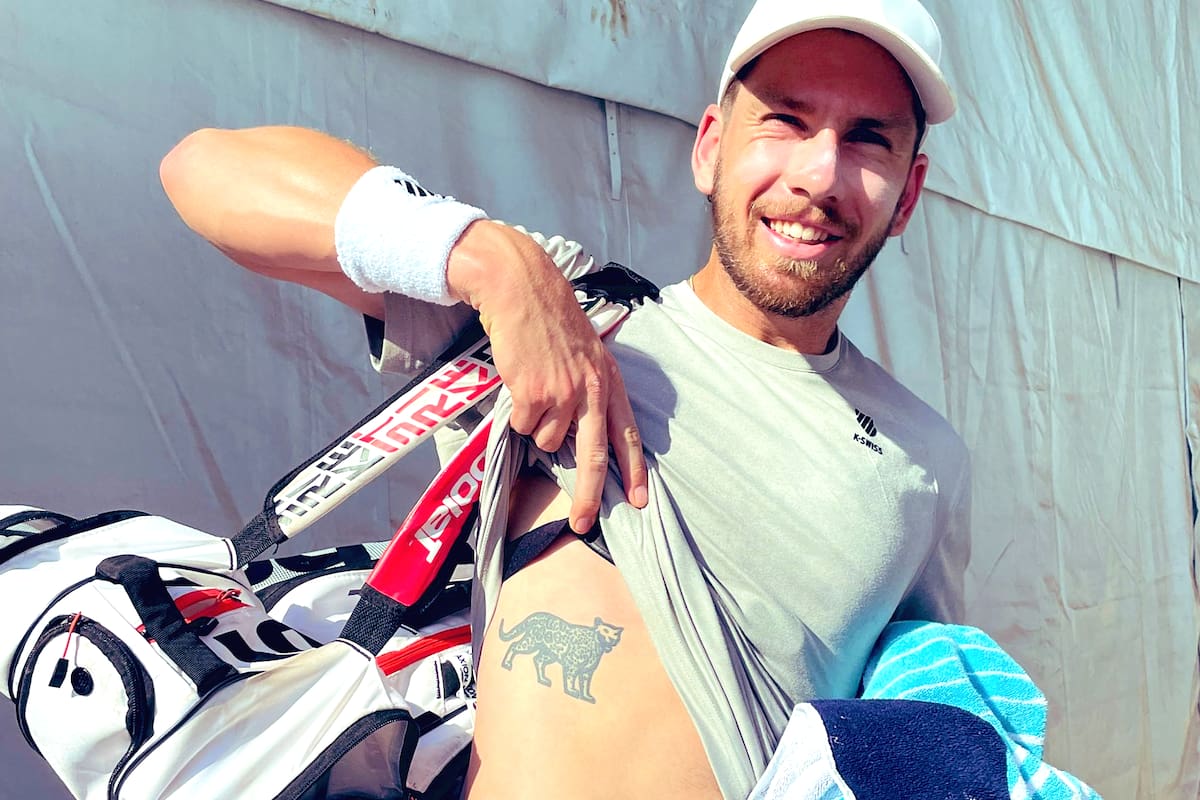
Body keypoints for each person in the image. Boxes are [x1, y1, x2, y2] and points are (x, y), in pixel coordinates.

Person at [160, 0, 970, 797]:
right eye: (785, 122)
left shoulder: (925, 459)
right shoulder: (563, 313)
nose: (819, 174)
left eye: (868, 139)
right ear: (711, 149)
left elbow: (930, 717)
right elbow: (204, 169)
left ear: (907, 194)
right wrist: (491, 263)